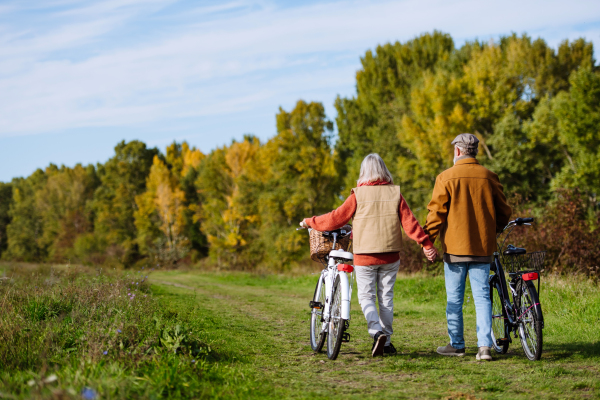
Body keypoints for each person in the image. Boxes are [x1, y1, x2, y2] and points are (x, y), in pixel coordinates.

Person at [300, 153, 437, 357]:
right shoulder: (395, 193)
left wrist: (310, 221)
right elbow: (410, 223)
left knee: (366, 297)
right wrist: (425, 243)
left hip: (365, 256)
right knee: (386, 298)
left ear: (364, 172)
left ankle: (376, 332)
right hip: (390, 256)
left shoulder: (358, 194)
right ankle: (387, 342)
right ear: (384, 170)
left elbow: (335, 219)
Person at [423, 133, 512, 361]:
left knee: (455, 299)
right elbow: (504, 212)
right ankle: (484, 348)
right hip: (482, 248)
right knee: (483, 297)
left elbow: (436, 214)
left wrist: (428, 240)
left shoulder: (446, 177)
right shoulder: (489, 177)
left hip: (454, 249)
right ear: (475, 151)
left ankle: (457, 345)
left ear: (458, 151)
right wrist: (493, 230)